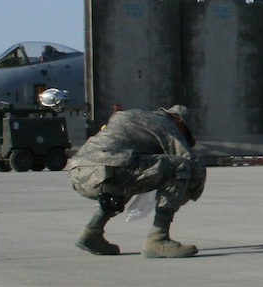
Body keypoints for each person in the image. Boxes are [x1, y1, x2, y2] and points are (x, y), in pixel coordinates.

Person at [69, 105, 206, 256]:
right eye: (185, 135)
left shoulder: (129, 116)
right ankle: (158, 239)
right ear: (179, 121)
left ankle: (92, 232)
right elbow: (193, 163)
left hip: (78, 172)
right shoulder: (167, 124)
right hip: (109, 167)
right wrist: (190, 192)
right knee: (179, 166)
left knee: (128, 175)